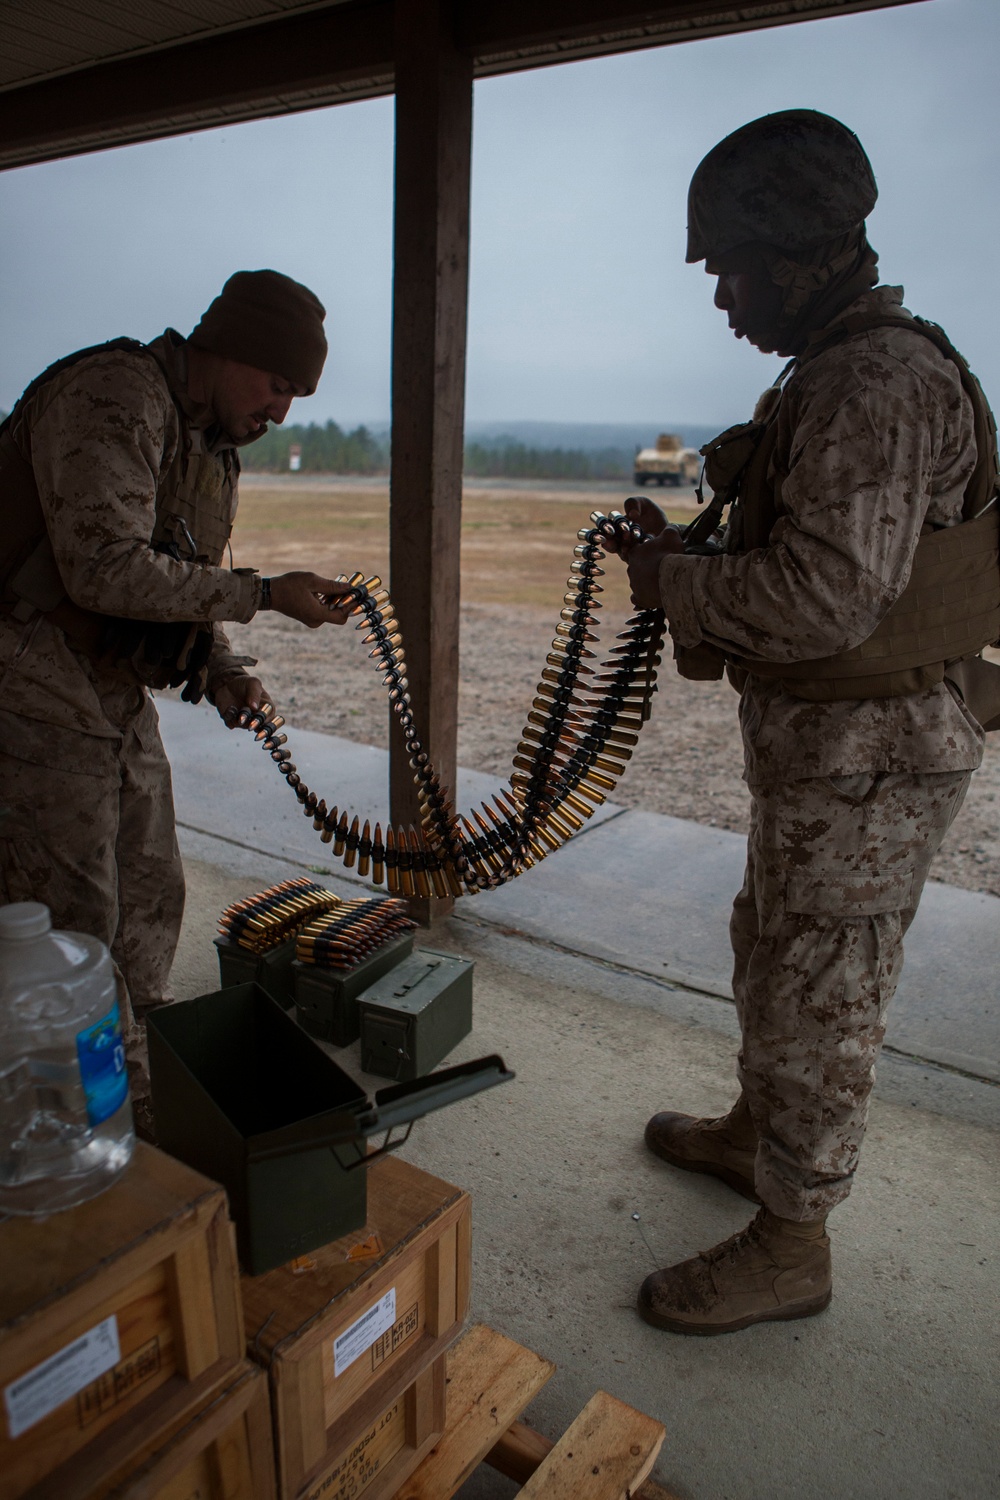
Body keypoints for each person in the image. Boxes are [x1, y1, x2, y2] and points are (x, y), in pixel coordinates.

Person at [613, 111, 1000, 1335]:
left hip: (874, 752)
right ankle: (757, 1135)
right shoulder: (832, 371)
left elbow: (825, 598)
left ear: (792, 255)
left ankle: (793, 1244)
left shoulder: (872, 380)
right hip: (836, 753)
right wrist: (697, 551)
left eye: (727, 267)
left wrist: (671, 584)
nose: (722, 298)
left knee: (823, 989)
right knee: (774, 947)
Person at [0, 269, 355, 1130]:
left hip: (108, 684)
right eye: (277, 385)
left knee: (153, 887)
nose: (282, 414)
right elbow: (102, 568)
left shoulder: (210, 444)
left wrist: (224, 670)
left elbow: (183, 580)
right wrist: (266, 593)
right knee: (72, 919)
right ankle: (85, 1115)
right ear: (228, 348)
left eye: (296, 395)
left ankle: (138, 1073)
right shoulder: (115, 394)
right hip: (30, 672)